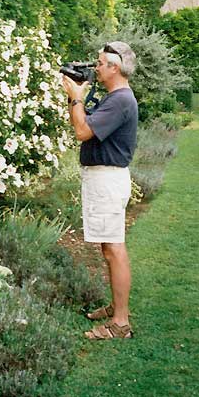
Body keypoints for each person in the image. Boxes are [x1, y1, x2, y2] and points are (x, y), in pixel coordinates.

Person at [61, 41, 138, 340]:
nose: (95, 68)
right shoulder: (114, 98)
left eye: (100, 63)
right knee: (109, 248)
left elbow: (82, 132)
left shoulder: (119, 100)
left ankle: (120, 323)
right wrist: (75, 100)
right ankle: (117, 307)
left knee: (115, 249)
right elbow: (83, 124)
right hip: (103, 179)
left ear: (114, 67)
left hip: (107, 181)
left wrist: (76, 97)